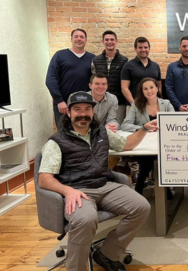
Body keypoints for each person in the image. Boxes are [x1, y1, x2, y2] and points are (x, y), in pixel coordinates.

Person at [39, 91, 152, 271]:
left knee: (141, 207)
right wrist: (68, 191)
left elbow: (127, 145)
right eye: (77, 109)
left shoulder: (101, 132)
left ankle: (107, 254)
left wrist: (144, 128)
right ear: (68, 112)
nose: (83, 113)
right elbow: (44, 179)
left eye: (87, 109)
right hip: (77, 190)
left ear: (93, 112)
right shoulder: (57, 141)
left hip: (104, 185)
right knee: (85, 220)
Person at [121, 78, 174, 195]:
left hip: (163, 142)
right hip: (144, 143)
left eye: (151, 87)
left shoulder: (166, 104)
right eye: (145, 88)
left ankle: (140, 186)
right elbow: (125, 125)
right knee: (149, 158)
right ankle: (166, 191)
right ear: (142, 91)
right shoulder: (136, 104)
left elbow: (174, 123)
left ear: (157, 88)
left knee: (153, 159)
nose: (149, 91)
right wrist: (143, 128)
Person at [46, 28, 95, 130]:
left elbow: (96, 81)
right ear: (71, 39)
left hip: (84, 105)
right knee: (64, 134)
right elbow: (51, 79)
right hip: (63, 105)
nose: (79, 39)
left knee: (84, 132)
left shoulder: (92, 58)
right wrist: (59, 100)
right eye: (76, 36)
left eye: (82, 37)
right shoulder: (60, 55)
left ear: (86, 40)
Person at [91, 30, 129, 124]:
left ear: (116, 41)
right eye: (106, 39)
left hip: (119, 102)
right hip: (98, 102)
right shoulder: (95, 60)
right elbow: (93, 80)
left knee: (115, 129)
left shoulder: (124, 61)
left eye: (112, 39)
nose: (109, 42)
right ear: (103, 42)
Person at [121, 37, 162, 106]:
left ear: (149, 49)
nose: (143, 50)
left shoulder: (155, 66)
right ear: (135, 49)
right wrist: (134, 105)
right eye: (140, 47)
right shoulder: (128, 65)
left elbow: (159, 87)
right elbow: (124, 88)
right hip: (133, 105)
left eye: (145, 47)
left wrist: (157, 103)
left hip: (152, 106)